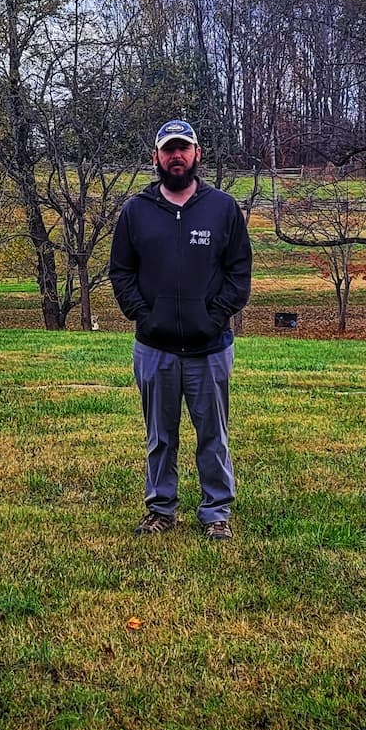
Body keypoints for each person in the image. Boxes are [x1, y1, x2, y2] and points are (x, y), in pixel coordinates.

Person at [106, 119, 252, 539]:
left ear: (196, 154)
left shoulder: (222, 208)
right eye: (168, 150)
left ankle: (216, 512)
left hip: (210, 348)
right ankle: (161, 509)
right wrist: (144, 316)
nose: (176, 156)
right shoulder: (136, 211)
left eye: (183, 148)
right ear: (156, 157)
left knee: (213, 435)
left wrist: (213, 317)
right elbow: (121, 272)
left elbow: (238, 272)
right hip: (154, 348)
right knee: (160, 437)